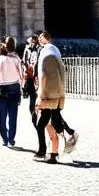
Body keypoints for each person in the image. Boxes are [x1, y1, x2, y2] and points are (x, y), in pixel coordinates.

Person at [36, 31, 79, 152]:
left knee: (47, 122)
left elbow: (46, 75)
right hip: (54, 92)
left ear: (46, 38)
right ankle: (66, 138)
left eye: (41, 37)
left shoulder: (48, 52)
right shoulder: (53, 50)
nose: (39, 40)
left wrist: (41, 95)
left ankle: (54, 150)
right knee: (53, 118)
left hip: (49, 94)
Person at [33, 32, 68, 163]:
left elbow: (43, 77)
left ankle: (44, 151)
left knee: (42, 124)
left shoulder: (46, 55)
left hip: (48, 96)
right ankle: (52, 154)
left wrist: (40, 96)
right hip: (57, 95)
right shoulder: (56, 53)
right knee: (53, 123)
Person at [0, 38, 24, 146]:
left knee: (2, 115)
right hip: (14, 87)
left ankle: (4, 138)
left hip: (2, 88)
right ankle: (11, 138)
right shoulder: (16, 58)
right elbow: (21, 74)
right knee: (13, 116)